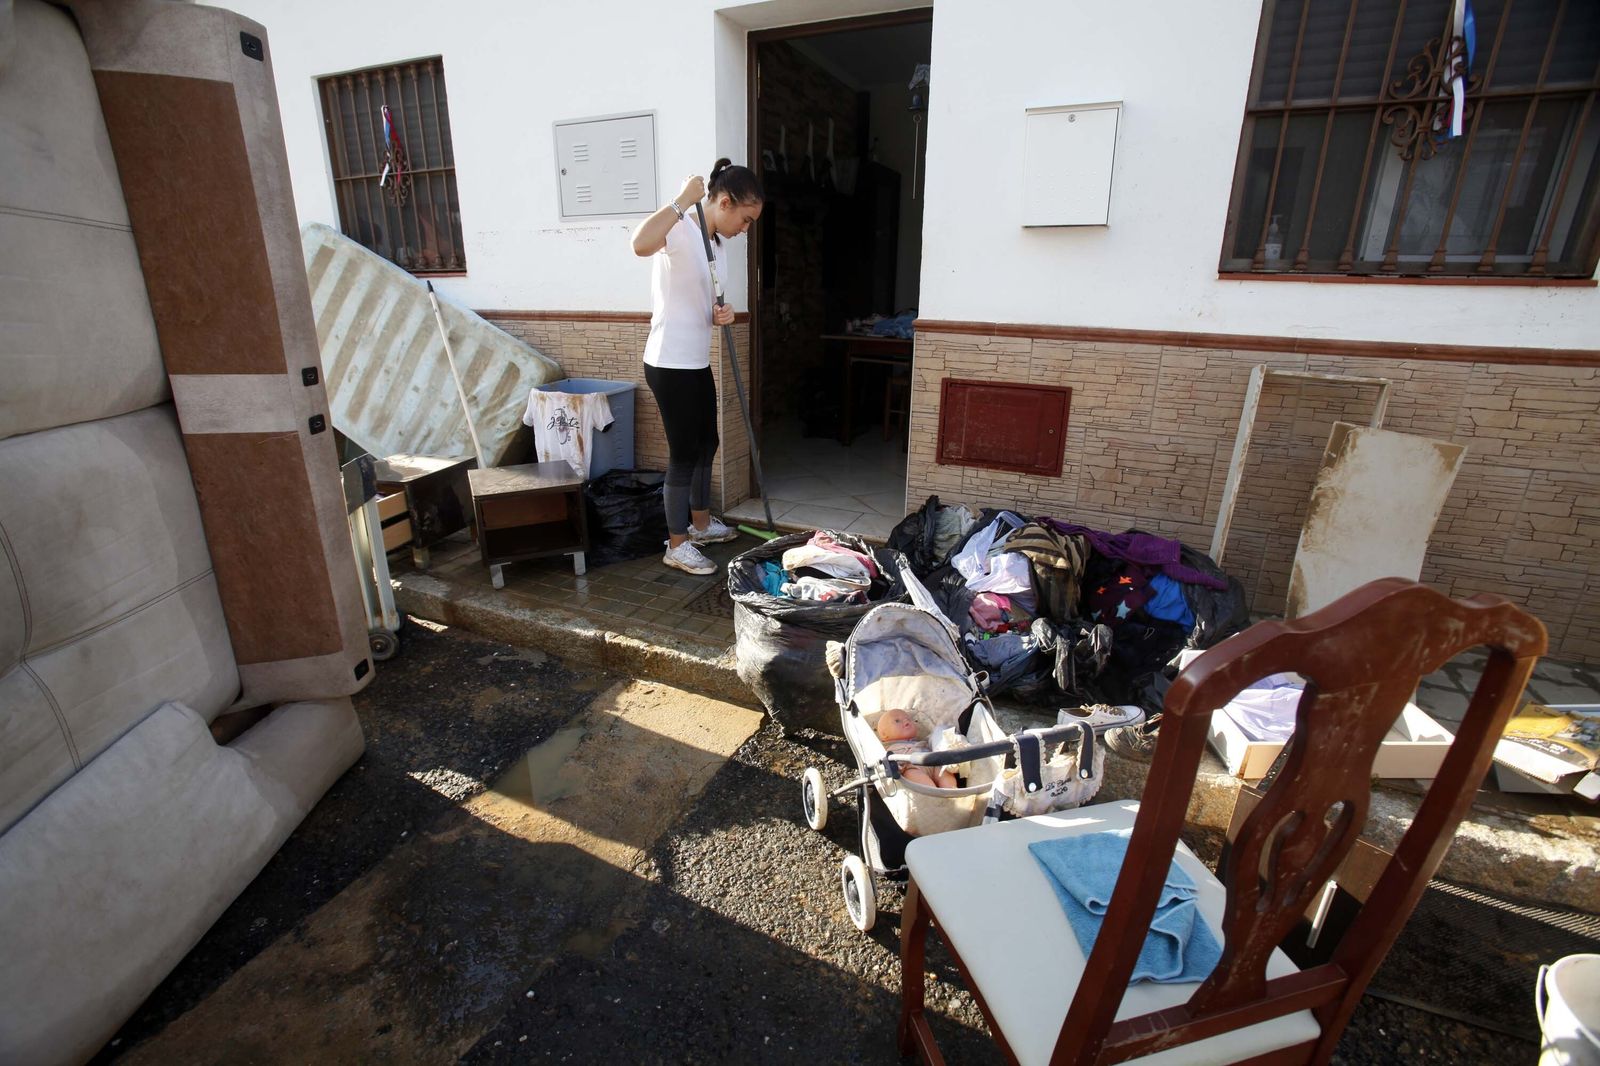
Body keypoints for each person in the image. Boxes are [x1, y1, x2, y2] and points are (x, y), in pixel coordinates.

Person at [630, 159, 765, 575]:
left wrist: (719, 314)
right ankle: (677, 544)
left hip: (695, 361)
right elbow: (639, 244)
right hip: (668, 363)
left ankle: (701, 525)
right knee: (684, 453)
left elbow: (703, 305)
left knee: (708, 444)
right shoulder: (680, 228)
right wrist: (679, 201)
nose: (745, 229)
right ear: (724, 202)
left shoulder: (717, 247)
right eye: (744, 219)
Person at [875, 709, 957, 789]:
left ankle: (951, 790)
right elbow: (891, 764)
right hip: (912, 767)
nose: (906, 721)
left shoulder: (924, 740)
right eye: (897, 721)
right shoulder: (890, 749)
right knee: (912, 775)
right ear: (884, 734)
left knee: (944, 770)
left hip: (933, 762)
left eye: (909, 719)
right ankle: (934, 794)